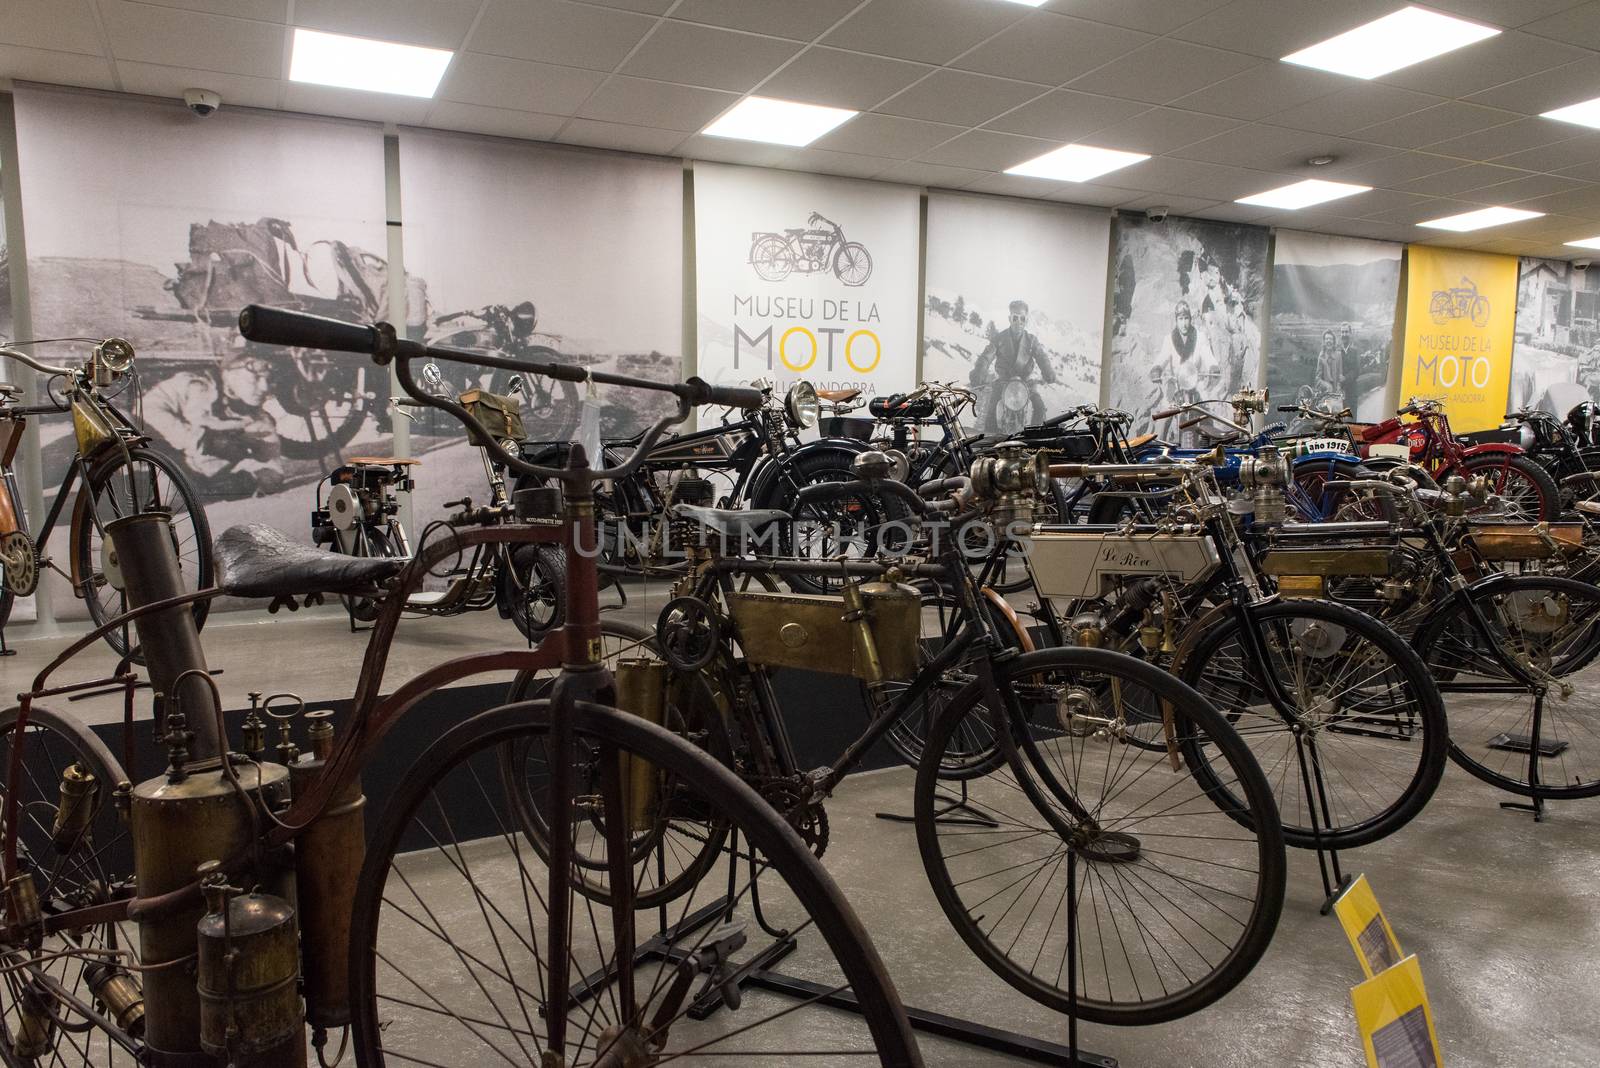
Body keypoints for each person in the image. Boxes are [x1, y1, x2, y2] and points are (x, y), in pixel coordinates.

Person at [142, 342, 282, 496]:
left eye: (267, 380)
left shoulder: (256, 415)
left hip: (192, 457)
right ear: (228, 375)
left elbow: (272, 462)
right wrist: (203, 443)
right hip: (149, 435)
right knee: (166, 495)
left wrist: (265, 476)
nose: (264, 387)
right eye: (254, 379)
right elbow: (147, 412)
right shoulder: (199, 388)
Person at [970, 299, 1055, 432]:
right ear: (1010, 318)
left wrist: (1048, 371)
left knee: (1039, 407)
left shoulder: (1032, 340)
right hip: (1004, 381)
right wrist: (979, 372)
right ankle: (990, 439)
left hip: (1026, 383)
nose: (1018, 322)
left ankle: (1033, 436)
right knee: (991, 408)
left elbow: (1042, 357)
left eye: (1022, 318)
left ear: (1026, 320)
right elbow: (987, 356)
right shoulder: (999, 338)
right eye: (1015, 318)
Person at [1155, 300, 1219, 446]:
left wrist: (1213, 366)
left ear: (1190, 319)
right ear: (1176, 320)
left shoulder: (1200, 337)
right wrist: (1157, 368)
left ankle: (1211, 450)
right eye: (1180, 319)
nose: (1184, 323)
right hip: (1176, 386)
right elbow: (1162, 357)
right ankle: (1158, 450)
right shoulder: (1169, 339)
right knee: (1163, 417)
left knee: (1209, 412)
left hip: (1195, 384)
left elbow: (1207, 355)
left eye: (1186, 318)